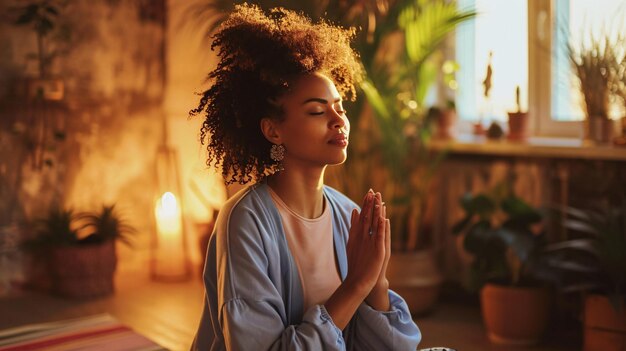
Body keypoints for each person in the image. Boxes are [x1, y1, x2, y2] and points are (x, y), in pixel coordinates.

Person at [190, 4, 421, 350]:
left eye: (340, 108)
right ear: (273, 130)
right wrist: (355, 285)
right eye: (317, 110)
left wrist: (377, 283)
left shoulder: (347, 215)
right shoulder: (245, 222)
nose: (338, 120)